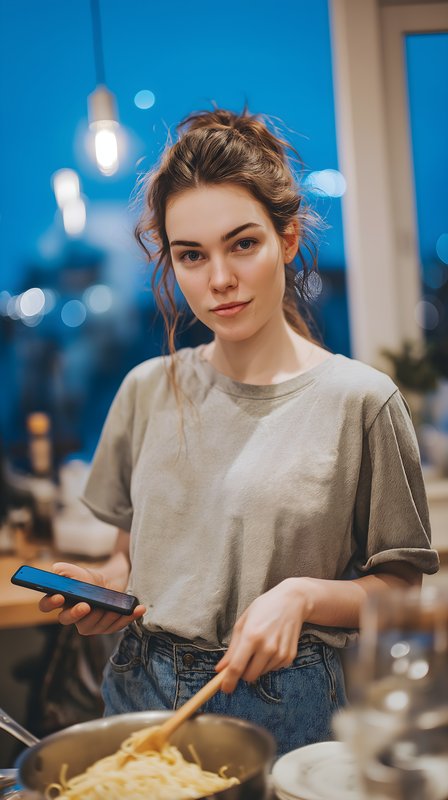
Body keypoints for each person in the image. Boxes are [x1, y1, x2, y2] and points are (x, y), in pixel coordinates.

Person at [39, 107, 439, 756]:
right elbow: (128, 557)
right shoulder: (145, 389)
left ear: (287, 238)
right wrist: (110, 588)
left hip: (283, 708)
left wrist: (303, 597)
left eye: (243, 244)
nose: (219, 279)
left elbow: (399, 592)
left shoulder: (361, 401)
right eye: (191, 255)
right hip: (140, 691)